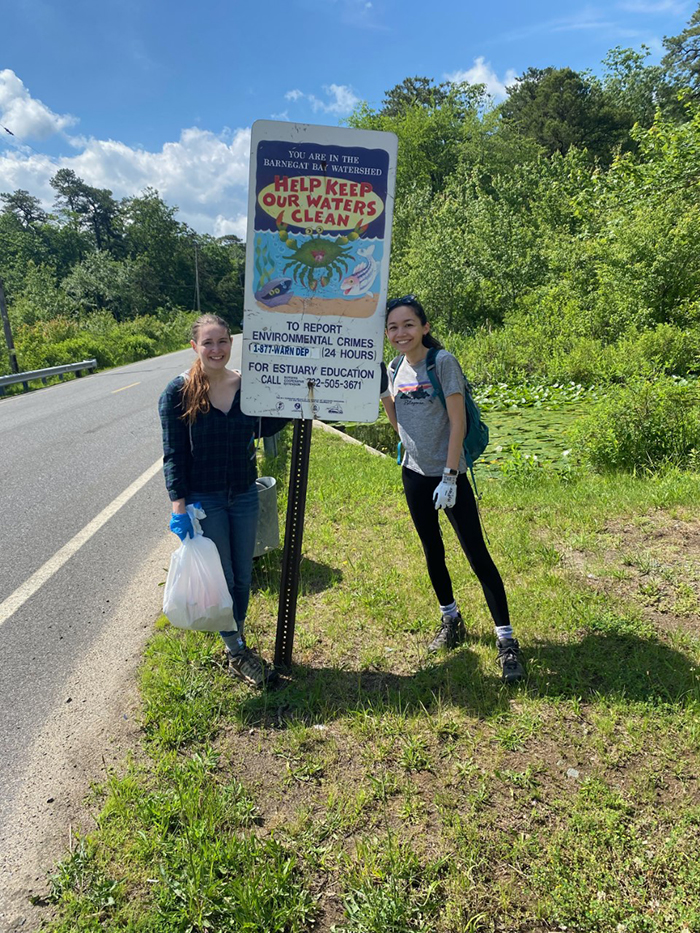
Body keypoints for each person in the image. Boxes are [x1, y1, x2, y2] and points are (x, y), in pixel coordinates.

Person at [381, 296, 524, 683]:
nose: (400, 333)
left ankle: (507, 641)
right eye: (393, 327)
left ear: (424, 327)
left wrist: (448, 475)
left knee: (477, 555)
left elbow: (457, 423)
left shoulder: (442, 363)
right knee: (433, 551)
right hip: (413, 474)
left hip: (449, 476)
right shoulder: (395, 368)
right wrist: (383, 395)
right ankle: (451, 618)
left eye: (408, 324)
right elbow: (400, 425)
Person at [158, 313, 286, 687]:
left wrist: (301, 400)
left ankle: (237, 639)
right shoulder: (177, 392)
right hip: (204, 501)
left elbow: (264, 426)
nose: (217, 349)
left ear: (232, 344)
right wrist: (178, 507)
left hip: (244, 495)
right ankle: (237, 652)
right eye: (208, 343)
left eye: (223, 341)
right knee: (223, 580)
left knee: (243, 579)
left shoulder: (246, 386)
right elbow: (174, 454)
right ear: (195, 346)